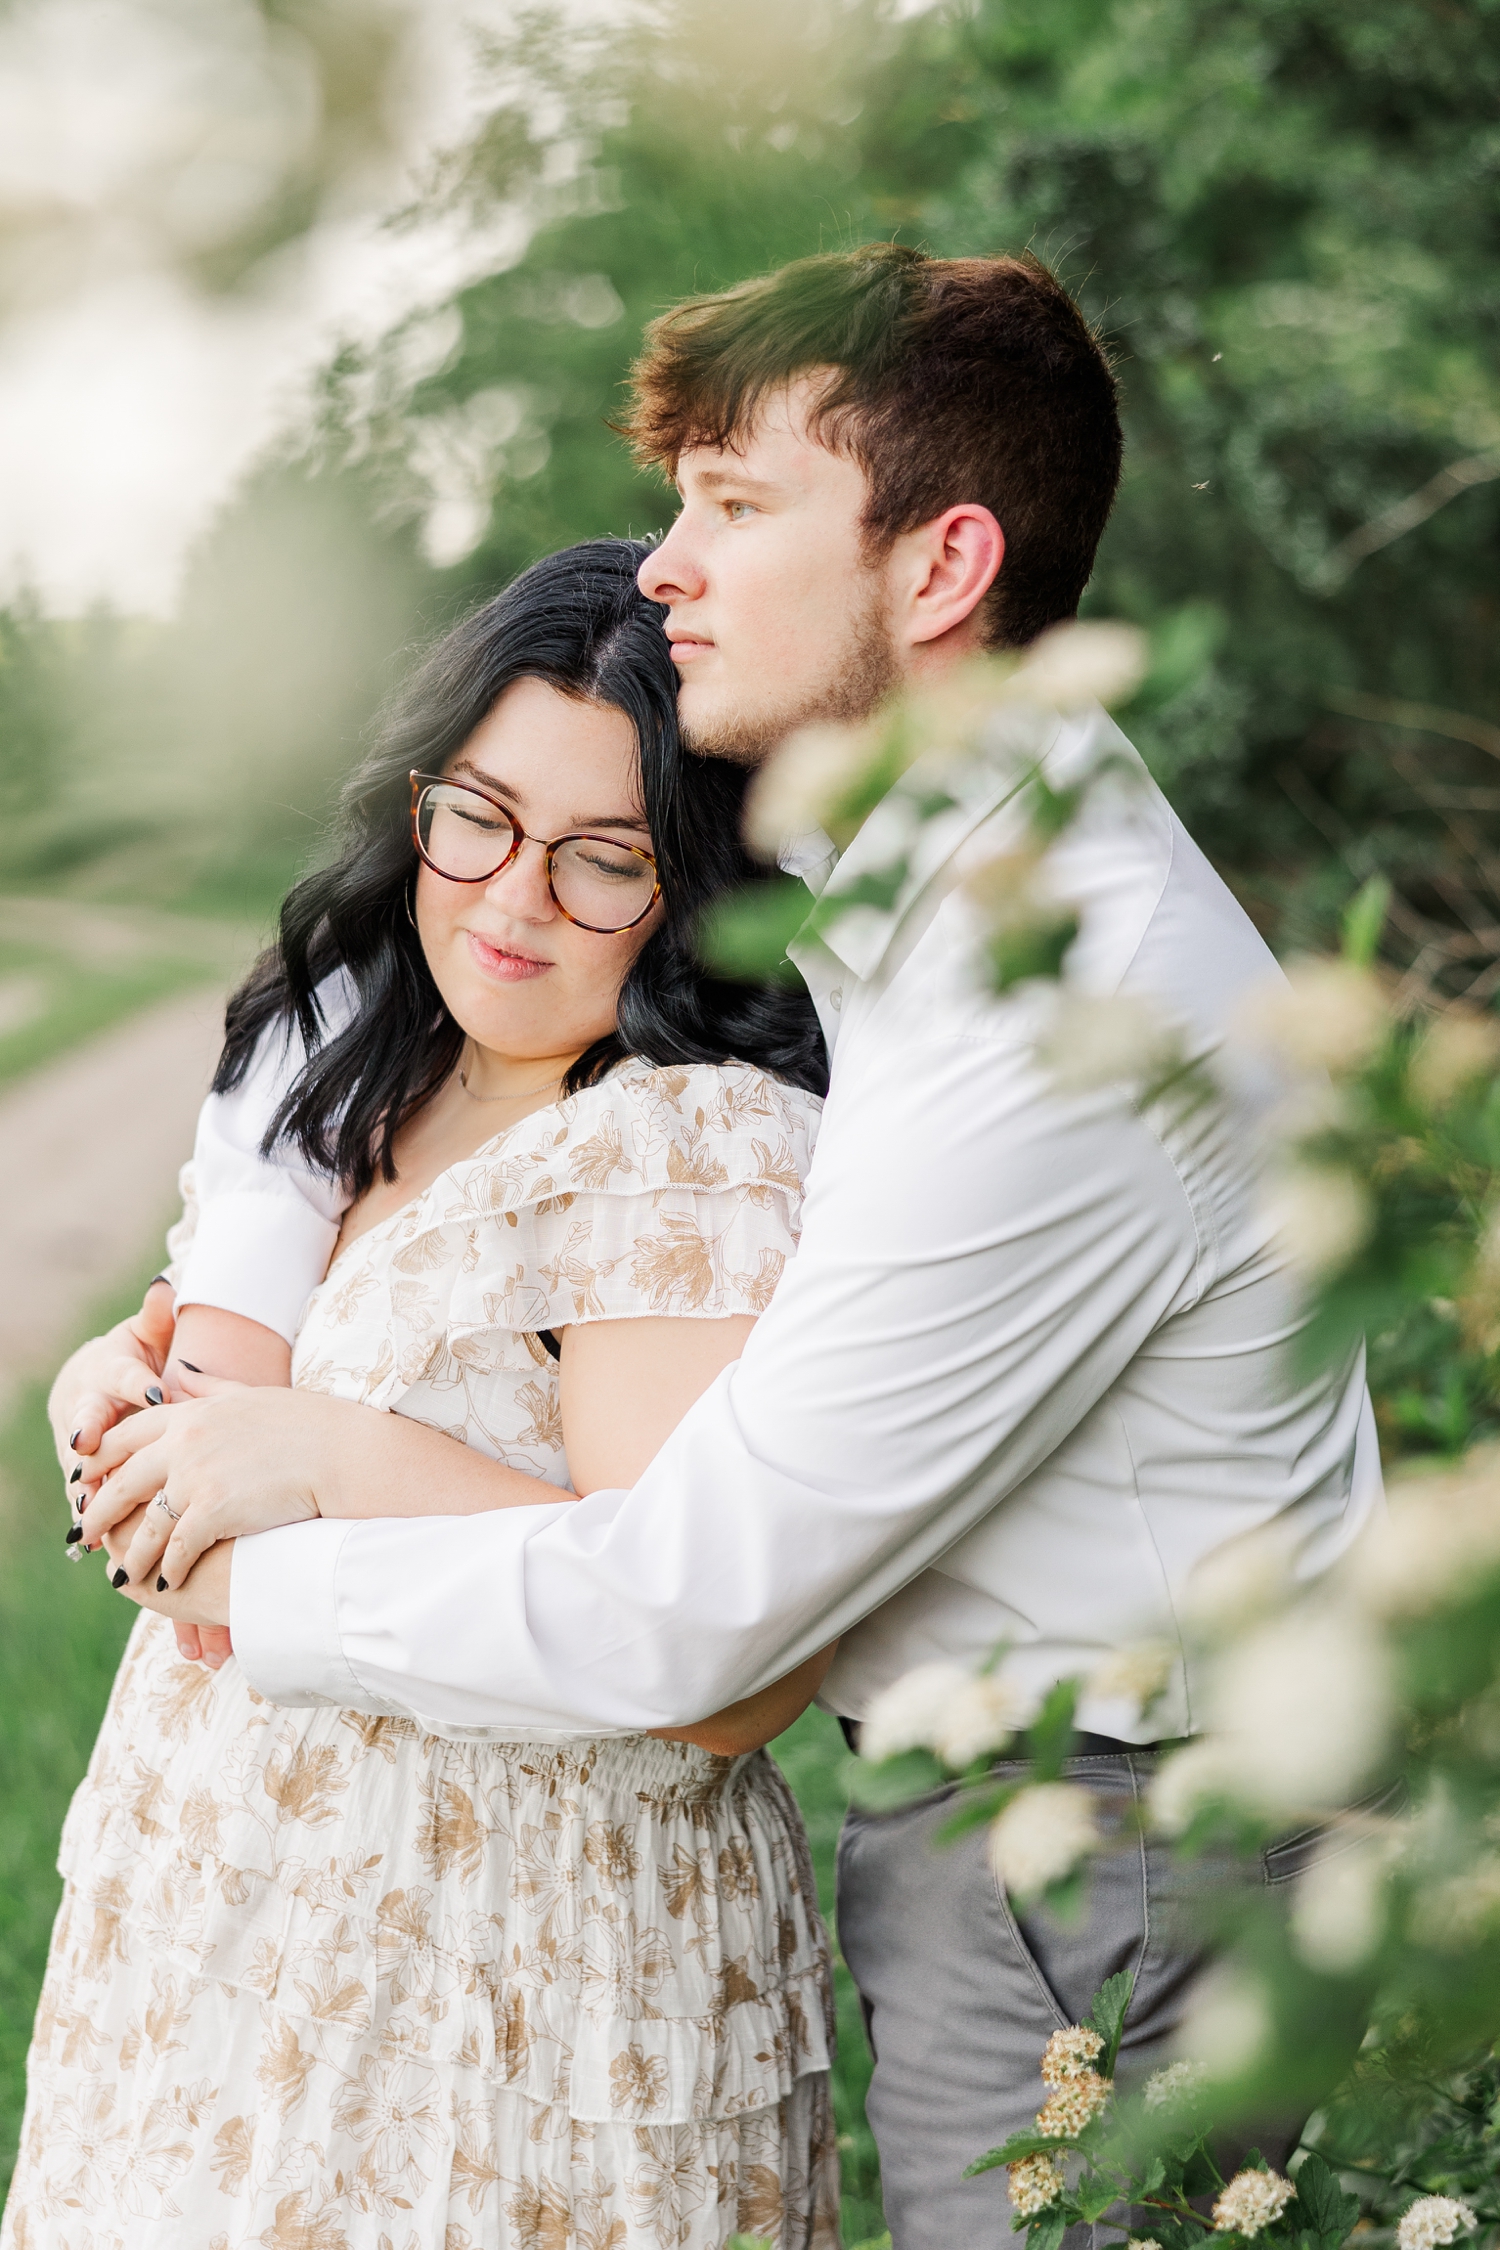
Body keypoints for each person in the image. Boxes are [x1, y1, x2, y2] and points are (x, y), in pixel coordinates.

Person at [53, 245, 1381, 2248]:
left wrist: (278, 1530)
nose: (666, 566)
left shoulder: (1058, 1019)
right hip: (1045, 1827)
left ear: (937, 570)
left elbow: (695, 1623)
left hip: (1112, 1852)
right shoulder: (937, 916)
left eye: (734, 508)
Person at [9, 541, 842, 2249]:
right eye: (477, 815)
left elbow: (715, 1672)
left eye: (602, 858)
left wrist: (328, 1449)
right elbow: (213, 1368)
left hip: (499, 1972)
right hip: (229, 1916)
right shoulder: (368, 1063)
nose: (512, 897)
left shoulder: (681, 1142)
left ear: (697, 882)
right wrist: (121, 1390)